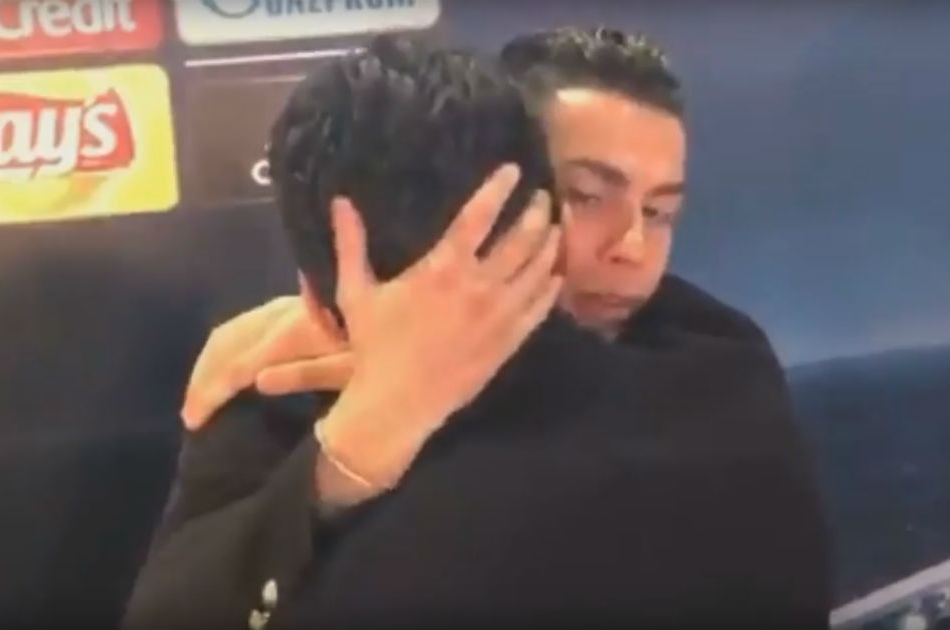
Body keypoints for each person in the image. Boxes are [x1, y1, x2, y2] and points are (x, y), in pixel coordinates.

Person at [126, 32, 831, 628]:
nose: (632, 248)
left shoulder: (718, 368)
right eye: (587, 196)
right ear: (495, 192)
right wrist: (349, 451)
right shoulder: (279, 379)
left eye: (660, 212)